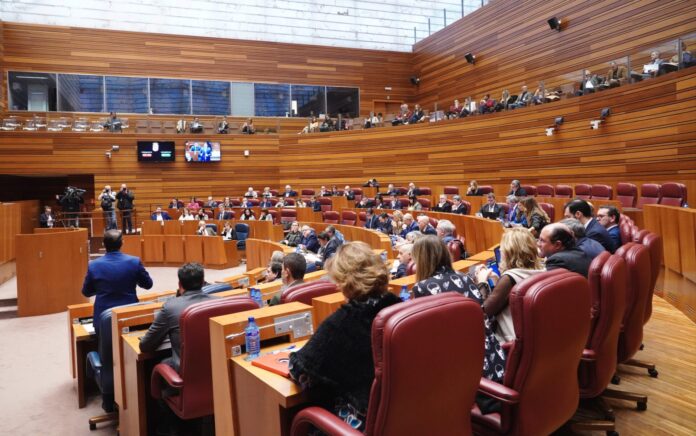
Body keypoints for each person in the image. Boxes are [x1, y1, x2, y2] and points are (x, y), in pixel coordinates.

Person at [289, 242, 400, 431]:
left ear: (345, 281)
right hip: (400, 419)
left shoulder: (342, 322)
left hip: (359, 421)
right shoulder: (398, 307)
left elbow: (300, 371)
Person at [411, 236, 506, 383]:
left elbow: (427, 335)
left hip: (468, 373)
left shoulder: (422, 287)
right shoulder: (464, 277)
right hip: (493, 358)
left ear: (421, 259)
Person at [474, 228, 545, 344]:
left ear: (508, 253)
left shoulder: (510, 278)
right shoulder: (543, 271)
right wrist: (498, 281)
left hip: (510, 344)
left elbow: (482, 313)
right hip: (535, 338)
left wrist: (482, 282)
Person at [140, 263, 212, 370]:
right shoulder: (219, 302)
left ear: (179, 284)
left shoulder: (170, 307)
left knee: (160, 364)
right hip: (215, 368)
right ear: (203, 282)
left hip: (186, 371)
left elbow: (145, 346)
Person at [82, 230, 153, 335]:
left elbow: (86, 292)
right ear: (122, 243)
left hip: (103, 319)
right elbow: (148, 284)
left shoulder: (94, 265)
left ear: (103, 244)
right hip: (130, 316)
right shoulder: (134, 262)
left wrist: (100, 288)